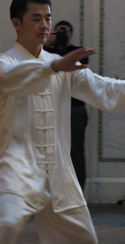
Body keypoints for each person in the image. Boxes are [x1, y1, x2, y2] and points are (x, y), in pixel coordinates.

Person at [0, 0, 125, 244]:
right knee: (7, 226)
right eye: (36, 18)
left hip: (59, 170)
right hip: (19, 168)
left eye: (48, 18)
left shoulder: (61, 63)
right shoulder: (1, 62)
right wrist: (54, 68)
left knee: (84, 239)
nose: (45, 25)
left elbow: (102, 88)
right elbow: (11, 79)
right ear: (16, 24)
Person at [44, 20, 89, 191]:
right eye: (59, 31)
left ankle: (78, 191)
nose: (63, 34)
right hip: (51, 106)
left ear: (71, 34)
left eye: (66, 31)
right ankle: (54, 190)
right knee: (51, 150)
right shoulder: (47, 52)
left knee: (76, 151)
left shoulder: (78, 52)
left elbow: (76, 71)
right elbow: (37, 66)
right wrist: (46, 46)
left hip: (75, 108)